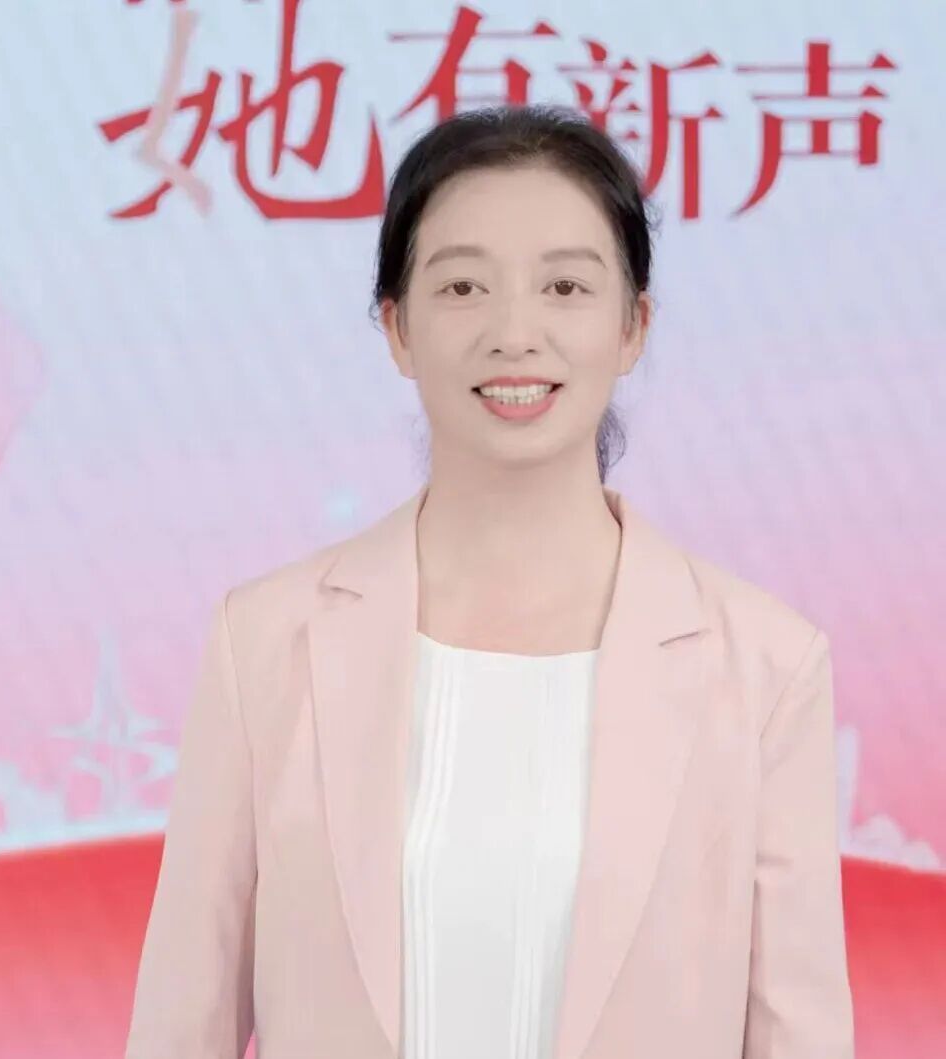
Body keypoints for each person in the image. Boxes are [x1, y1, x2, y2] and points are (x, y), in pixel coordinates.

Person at [124, 103, 855, 1059]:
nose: (515, 333)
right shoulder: (264, 641)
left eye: (565, 286)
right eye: (464, 285)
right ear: (397, 327)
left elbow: (800, 1033)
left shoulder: (765, 666)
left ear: (633, 326)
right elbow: (183, 1021)